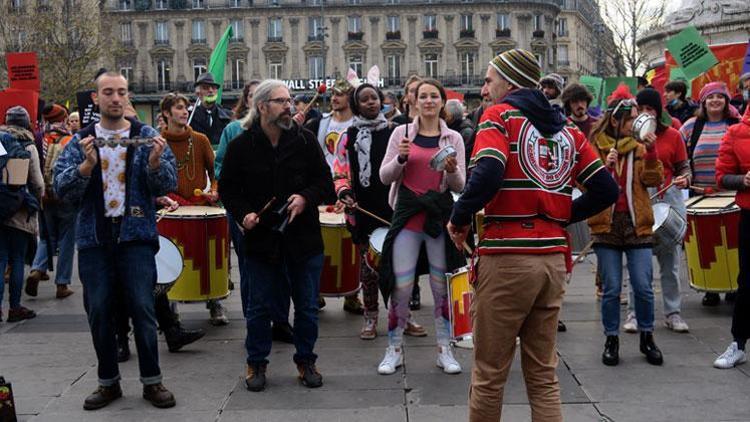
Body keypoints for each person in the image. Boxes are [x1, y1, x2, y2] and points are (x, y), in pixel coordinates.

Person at [447, 49, 617, 422]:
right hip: (553, 259)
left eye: (490, 79)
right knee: (543, 374)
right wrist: (558, 215)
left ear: (510, 81)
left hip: (507, 256)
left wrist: (459, 218)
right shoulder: (569, 129)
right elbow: (606, 189)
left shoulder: (500, 116)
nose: (485, 88)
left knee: (490, 373)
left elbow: (489, 172)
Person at [54, 72, 177, 409]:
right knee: (99, 311)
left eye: (121, 92)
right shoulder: (81, 140)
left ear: (127, 97)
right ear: (96, 98)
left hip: (135, 236)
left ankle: (153, 381)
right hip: (94, 238)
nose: (115, 98)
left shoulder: (146, 135)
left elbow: (168, 181)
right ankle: (108, 382)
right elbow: (61, 189)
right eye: (108, 92)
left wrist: (154, 164)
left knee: (143, 307)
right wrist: (86, 167)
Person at [219, 79, 334, 392]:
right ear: (261, 107)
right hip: (261, 239)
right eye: (281, 101)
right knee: (258, 307)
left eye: (290, 100)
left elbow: (326, 183)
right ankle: (256, 362)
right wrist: (243, 214)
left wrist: (305, 197)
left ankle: (306, 360)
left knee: (307, 306)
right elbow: (228, 188)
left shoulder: (306, 141)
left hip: (303, 239)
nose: (289, 106)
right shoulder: (241, 145)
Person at [377, 78, 466, 376]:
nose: (428, 101)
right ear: (413, 101)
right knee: (401, 286)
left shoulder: (453, 138)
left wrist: (452, 171)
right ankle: (394, 349)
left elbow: (460, 184)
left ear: (442, 101)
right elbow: (384, 177)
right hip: (407, 215)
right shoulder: (400, 134)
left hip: (438, 216)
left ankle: (445, 349)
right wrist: (401, 158)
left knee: (441, 287)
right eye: (422, 96)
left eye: (433, 96)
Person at [588, 84, 665, 368]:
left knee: (644, 287)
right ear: (617, 119)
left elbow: (653, 180)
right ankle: (611, 339)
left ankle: (647, 336)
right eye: (632, 117)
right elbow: (586, 184)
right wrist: (605, 168)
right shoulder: (596, 146)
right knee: (610, 289)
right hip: (606, 224)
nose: (637, 122)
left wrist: (653, 151)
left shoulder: (642, 147)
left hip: (637, 225)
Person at [621, 88, 691, 333]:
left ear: (657, 112)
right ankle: (634, 313)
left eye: (650, 109)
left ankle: (673, 313)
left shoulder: (672, 135)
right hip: (641, 198)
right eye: (641, 110)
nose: (645, 114)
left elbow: (684, 167)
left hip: (668, 197)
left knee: (670, 261)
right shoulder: (629, 139)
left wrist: (685, 178)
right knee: (637, 263)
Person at [333, 82, 394, 340]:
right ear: (356, 105)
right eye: (365, 99)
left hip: (392, 208)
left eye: (374, 98)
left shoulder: (395, 131)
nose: (371, 102)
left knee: (400, 268)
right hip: (362, 210)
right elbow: (339, 170)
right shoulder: (348, 136)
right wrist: (345, 193)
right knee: (368, 270)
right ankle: (370, 316)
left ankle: (402, 316)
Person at [304, 78, 365, 315]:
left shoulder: (359, 124)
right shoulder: (321, 123)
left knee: (353, 241)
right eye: (332, 95)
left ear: (350, 98)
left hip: (351, 187)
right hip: (324, 187)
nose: (334, 98)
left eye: (339, 94)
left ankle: (352, 294)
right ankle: (317, 291)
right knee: (319, 239)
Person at [679, 82, 741, 306]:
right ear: (703, 102)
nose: (715, 100)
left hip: (733, 194)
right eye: (710, 97)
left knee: (734, 244)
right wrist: (684, 175)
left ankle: (734, 285)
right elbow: (680, 157)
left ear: (726, 101)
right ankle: (711, 287)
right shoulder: (690, 127)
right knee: (708, 243)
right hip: (700, 196)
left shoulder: (737, 124)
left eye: (720, 97)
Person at [26, 103, 76, 299]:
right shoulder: (70, 140)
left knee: (47, 236)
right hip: (65, 196)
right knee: (66, 239)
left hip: (43, 196)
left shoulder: (38, 139)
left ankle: (37, 269)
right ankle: (62, 284)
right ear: (63, 119)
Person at [713, 104, 750, 369]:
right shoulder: (736, 132)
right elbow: (722, 177)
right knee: (747, 281)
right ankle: (738, 343)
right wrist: (743, 181)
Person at [0, 106, 43, 322]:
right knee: (17, 259)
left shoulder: (0, 141)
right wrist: (37, 199)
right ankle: (15, 307)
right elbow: (37, 181)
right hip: (19, 209)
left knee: (0, 260)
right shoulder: (27, 144)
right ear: (26, 123)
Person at [190, 72, 232, 147]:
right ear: (198, 93)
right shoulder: (190, 117)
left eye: (213, 88)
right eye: (205, 87)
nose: (210, 90)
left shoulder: (228, 116)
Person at [443, 99, 475, 168]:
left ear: (450, 116)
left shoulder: (466, 132)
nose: (442, 115)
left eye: (444, 113)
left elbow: (465, 159)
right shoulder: (452, 128)